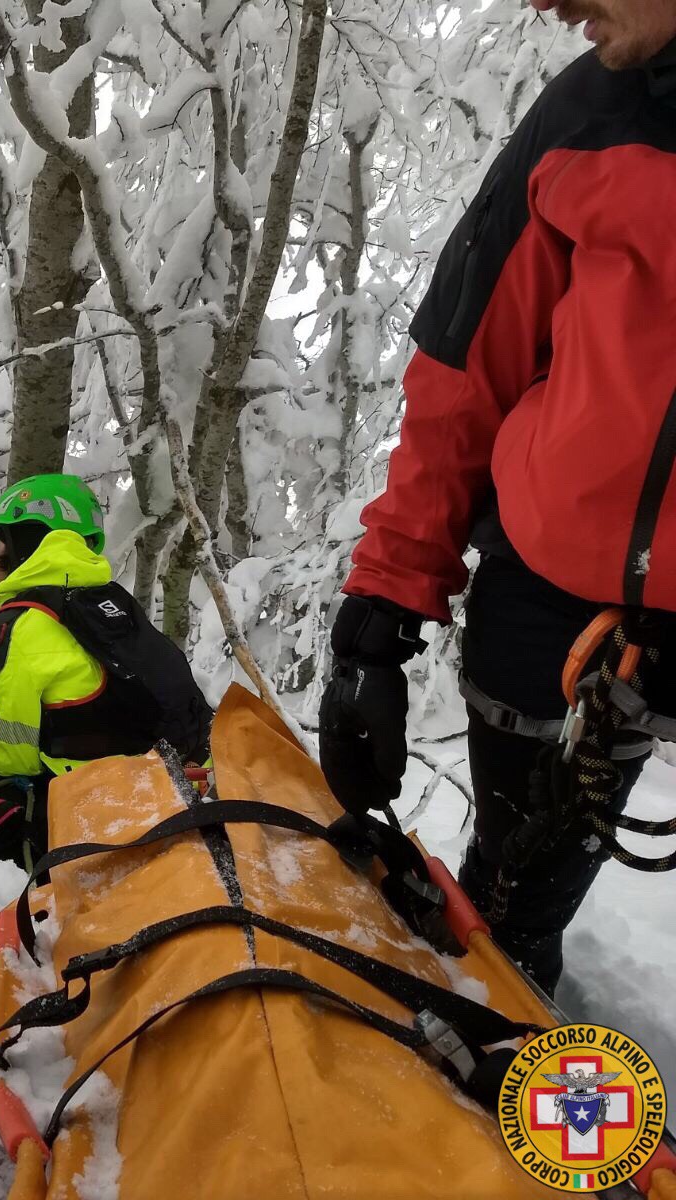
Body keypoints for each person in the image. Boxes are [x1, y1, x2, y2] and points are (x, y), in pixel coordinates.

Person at [318, 0, 676, 995]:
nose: (546, 5)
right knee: (510, 913)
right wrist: (381, 609)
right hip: (545, 610)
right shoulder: (585, 113)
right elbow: (464, 366)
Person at [0, 474, 212, 856]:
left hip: (92, 805)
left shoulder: (19, 623)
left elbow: (13, 757)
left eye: (0, 542)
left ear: (28, 541)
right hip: (168, 780)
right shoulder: (108, 601)